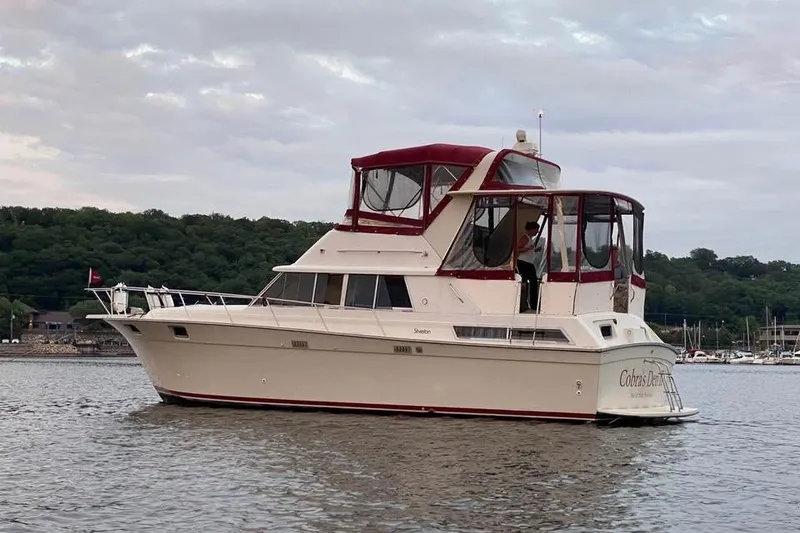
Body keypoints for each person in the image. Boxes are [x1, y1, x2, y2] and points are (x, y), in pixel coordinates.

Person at [516, 221, 545, 311]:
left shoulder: (529, 238)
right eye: (536, 230)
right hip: (524, 263)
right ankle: (532, 304)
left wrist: (535, 250)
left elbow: (527, 251)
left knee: (531, 282)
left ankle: (529, 303)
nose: (537, 232)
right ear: (532, 229)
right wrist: (529, 248)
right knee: (532, 282)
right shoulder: (525, 238)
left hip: (527, 263)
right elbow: (517, 248)